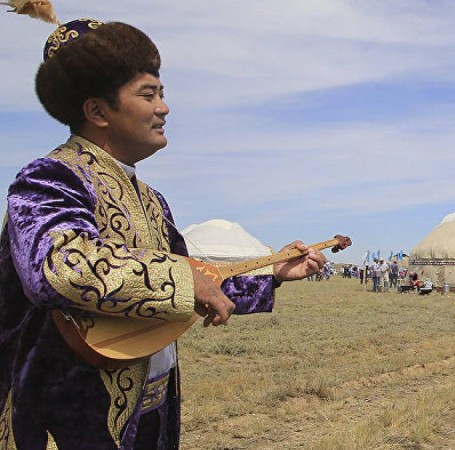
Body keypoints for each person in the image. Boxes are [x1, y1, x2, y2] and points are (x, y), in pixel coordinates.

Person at [0, 14, 326, 450]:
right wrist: (182, 280)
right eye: (148, 94)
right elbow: (59, 266)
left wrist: (274, 274)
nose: (164, 107)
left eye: (162, 93)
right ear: (96, 110)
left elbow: (197, 277)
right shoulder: (48, 180)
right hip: (70, 417)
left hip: (151, 409)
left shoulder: (152, 199)